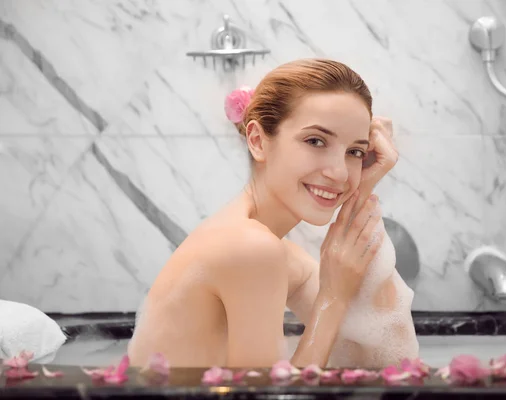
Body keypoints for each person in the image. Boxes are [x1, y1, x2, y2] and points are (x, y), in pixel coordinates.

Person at [128, 58, 418, 369]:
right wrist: (334, 297)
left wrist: (363, 186)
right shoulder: (250, 248)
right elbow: (266, 394)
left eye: (354, 152)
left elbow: (378, 351)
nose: (339, 172)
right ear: (257, 141)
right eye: (316, 141)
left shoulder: (267, 246)